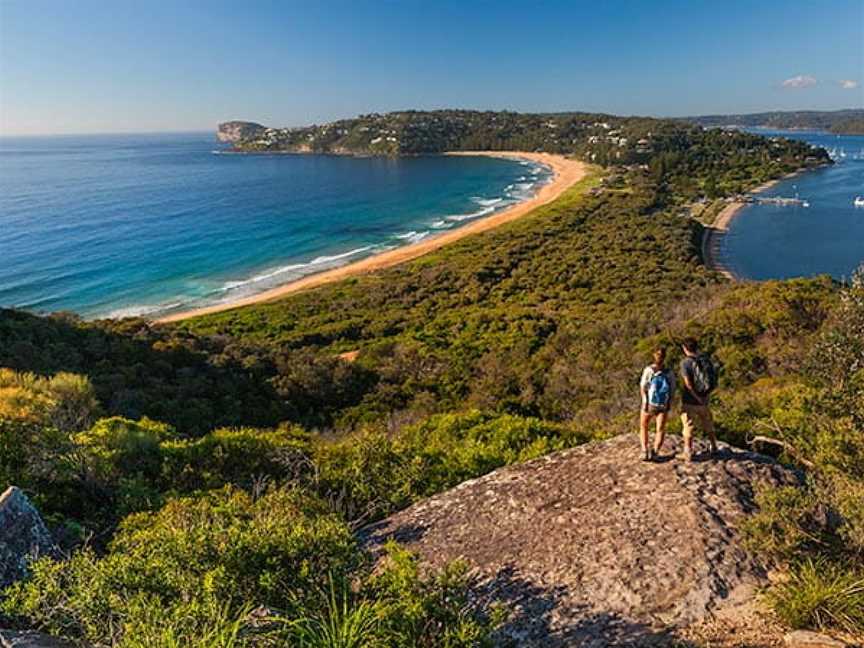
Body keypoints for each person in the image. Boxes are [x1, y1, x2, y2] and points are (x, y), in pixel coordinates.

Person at [679, 337, 718, 461]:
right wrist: (704, 396)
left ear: (684, 349)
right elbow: (712, 380)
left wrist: (696, 396)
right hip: (705, 398)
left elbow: (688, 384)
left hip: (689, 400)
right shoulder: (705, 360)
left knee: (688, 425)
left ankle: (688, 451)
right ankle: (714, 446)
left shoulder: (685, 363)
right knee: (708, 423)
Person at [638, 347, 676, 461]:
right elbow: (672, 389)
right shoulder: (669, 372)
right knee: (660, 429)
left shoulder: (649, 370)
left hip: (650, 404)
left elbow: (643, 387)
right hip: (663, 404)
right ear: (665, 357)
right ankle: (655, 452)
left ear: (654, 356)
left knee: (644, 426)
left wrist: (645, 401)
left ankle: (645, 451)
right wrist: (669, 403)